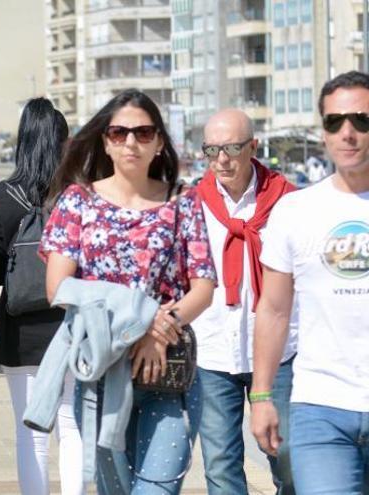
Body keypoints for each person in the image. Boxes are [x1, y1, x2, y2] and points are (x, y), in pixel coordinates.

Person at [41, 89, 216, 494]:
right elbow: (59, 287)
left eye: (143, 132)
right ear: (106, 140)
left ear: (158, 142)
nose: (131, 142)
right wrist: (142, 316)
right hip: (103, 369)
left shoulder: (182, 201)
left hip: (167, 369)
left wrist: (159, 330)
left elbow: (203, 286)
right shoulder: (78, 201)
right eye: (119, 133)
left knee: (157, 488)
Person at [251, 71, 369, 495]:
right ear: (323, 131)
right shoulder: (296, 211)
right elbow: (274, 309)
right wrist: (262, 397)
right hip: (320, 406)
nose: (349, 133)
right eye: (335, 122)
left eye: (361, 120)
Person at [190, 109, 298, 495]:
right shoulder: (193, 205)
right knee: (220, 467)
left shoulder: (289, 202)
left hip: (280, 353)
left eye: (233, 148)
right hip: (214, 353)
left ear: (253, 147)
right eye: (212, 150)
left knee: (288, 461)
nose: (222, 159)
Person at [0, 99, 82, 494]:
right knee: (73, 427)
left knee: (32, 433)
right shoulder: (78, 191)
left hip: (21, 328)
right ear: (62, 142)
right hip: (72, 324)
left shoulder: (6, 194)